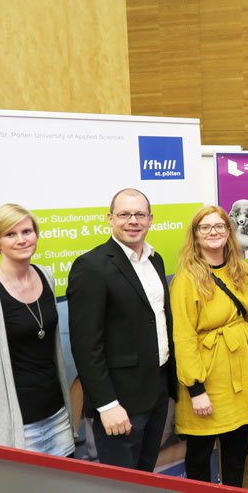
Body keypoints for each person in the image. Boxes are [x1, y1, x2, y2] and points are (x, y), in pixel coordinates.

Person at [68, 188, 177, 471]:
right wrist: (107, 405)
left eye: (140, 214)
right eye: (124, 214)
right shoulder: (91, 266)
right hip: (120, 403)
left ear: (151, 219)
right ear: (110, 218)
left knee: (146, 476)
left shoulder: (155, 259)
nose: (133, 221)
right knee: (121, 482)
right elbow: (85, 345)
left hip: (156, 392)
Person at [170, 205, 248, 486]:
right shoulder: (186, 280)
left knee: (239, 443)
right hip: (207, 372)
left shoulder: (244, 271)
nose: (213, 232)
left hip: (240, 365)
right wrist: (196, 389)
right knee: (201, 449)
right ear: (196, 235)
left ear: (229, 232)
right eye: (205, 227)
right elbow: (183, 336)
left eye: (220, 226)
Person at [0, 204, 74, 456]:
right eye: (10, 234)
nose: (22, 240)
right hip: (14, 427)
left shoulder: (45, 276)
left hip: (56, 418)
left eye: (27, 231)